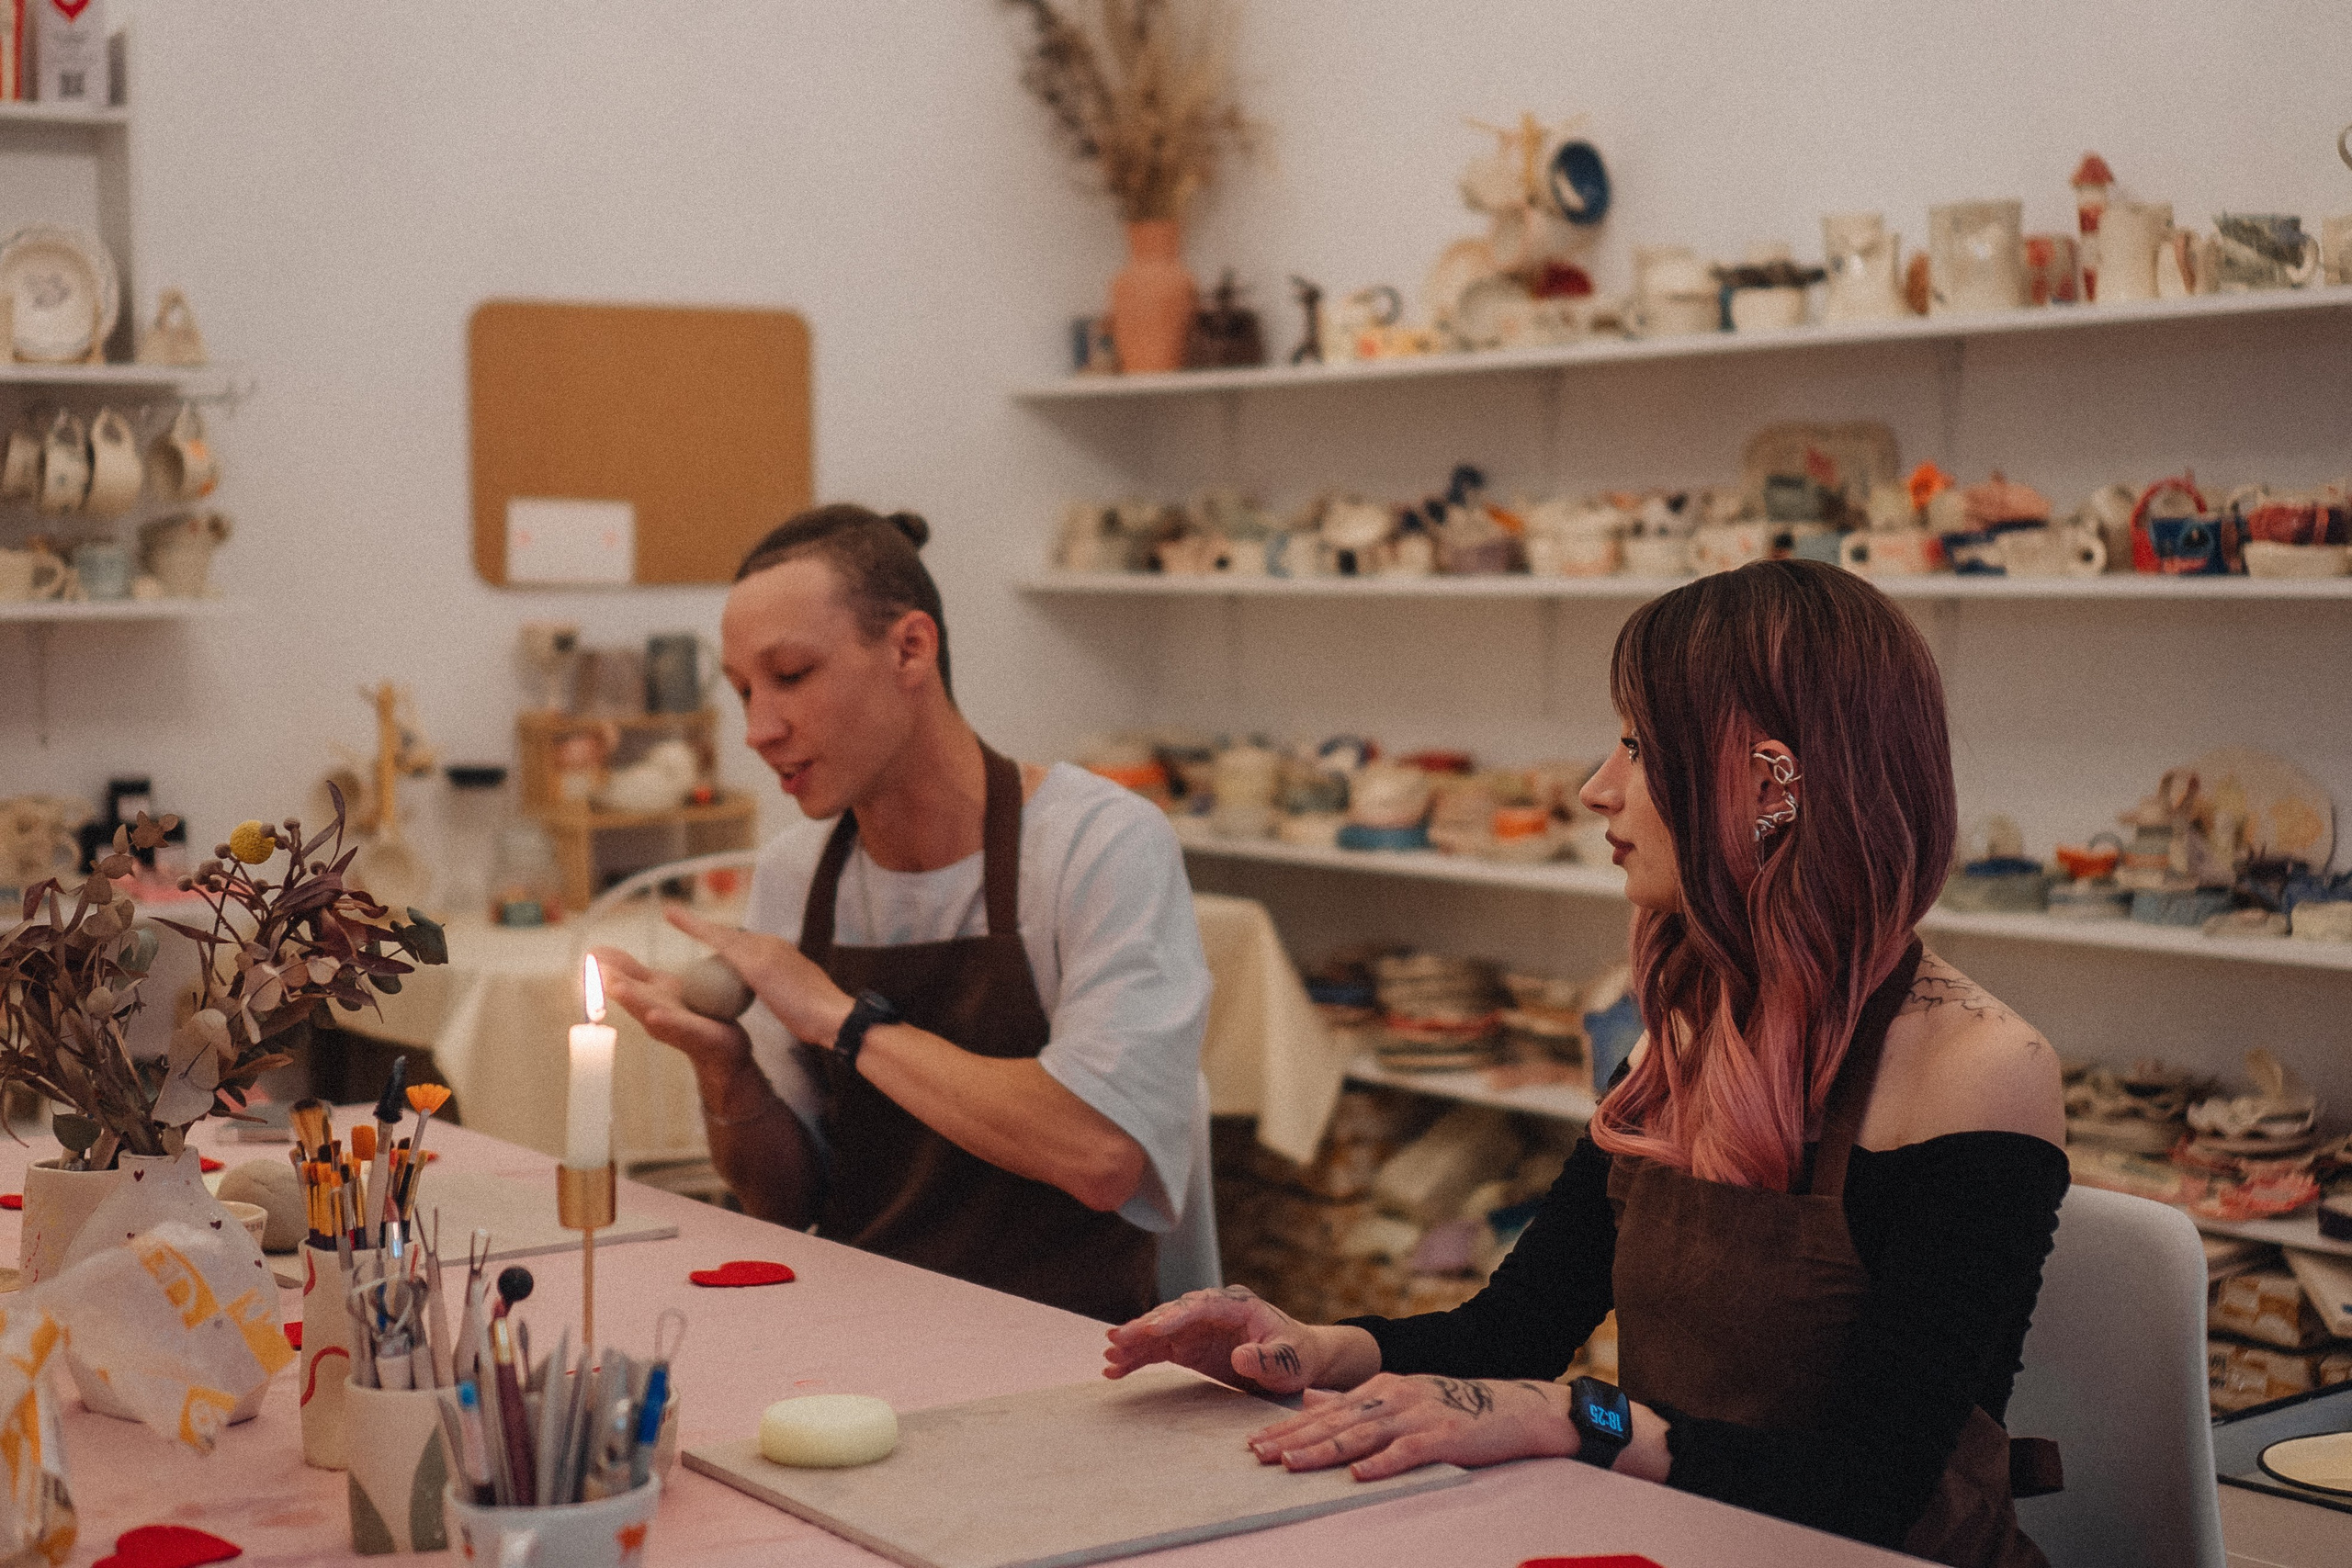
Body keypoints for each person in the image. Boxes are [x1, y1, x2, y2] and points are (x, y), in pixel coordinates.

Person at [1104, 560, 2068, 1568]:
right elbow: (1514, 1330)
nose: (1595, 789)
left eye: (1642, 750)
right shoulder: (1686, 1029)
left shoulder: (1977, 1071)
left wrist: (1577, 1419)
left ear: (1771, 787)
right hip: (1683, 1538)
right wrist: (1309, 1346)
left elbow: (1867, 1492)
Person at [597, 503, 1209, 1324]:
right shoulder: (799, 871)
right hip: (861, 1332)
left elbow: (1100, 1152)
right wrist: (724, 1067)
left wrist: (838, 1019)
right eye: (744, 691)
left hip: (1069, 1347)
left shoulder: (1097, 844)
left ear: (910, 649)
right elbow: (786, 1199)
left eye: (791, 675)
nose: (757, 729)